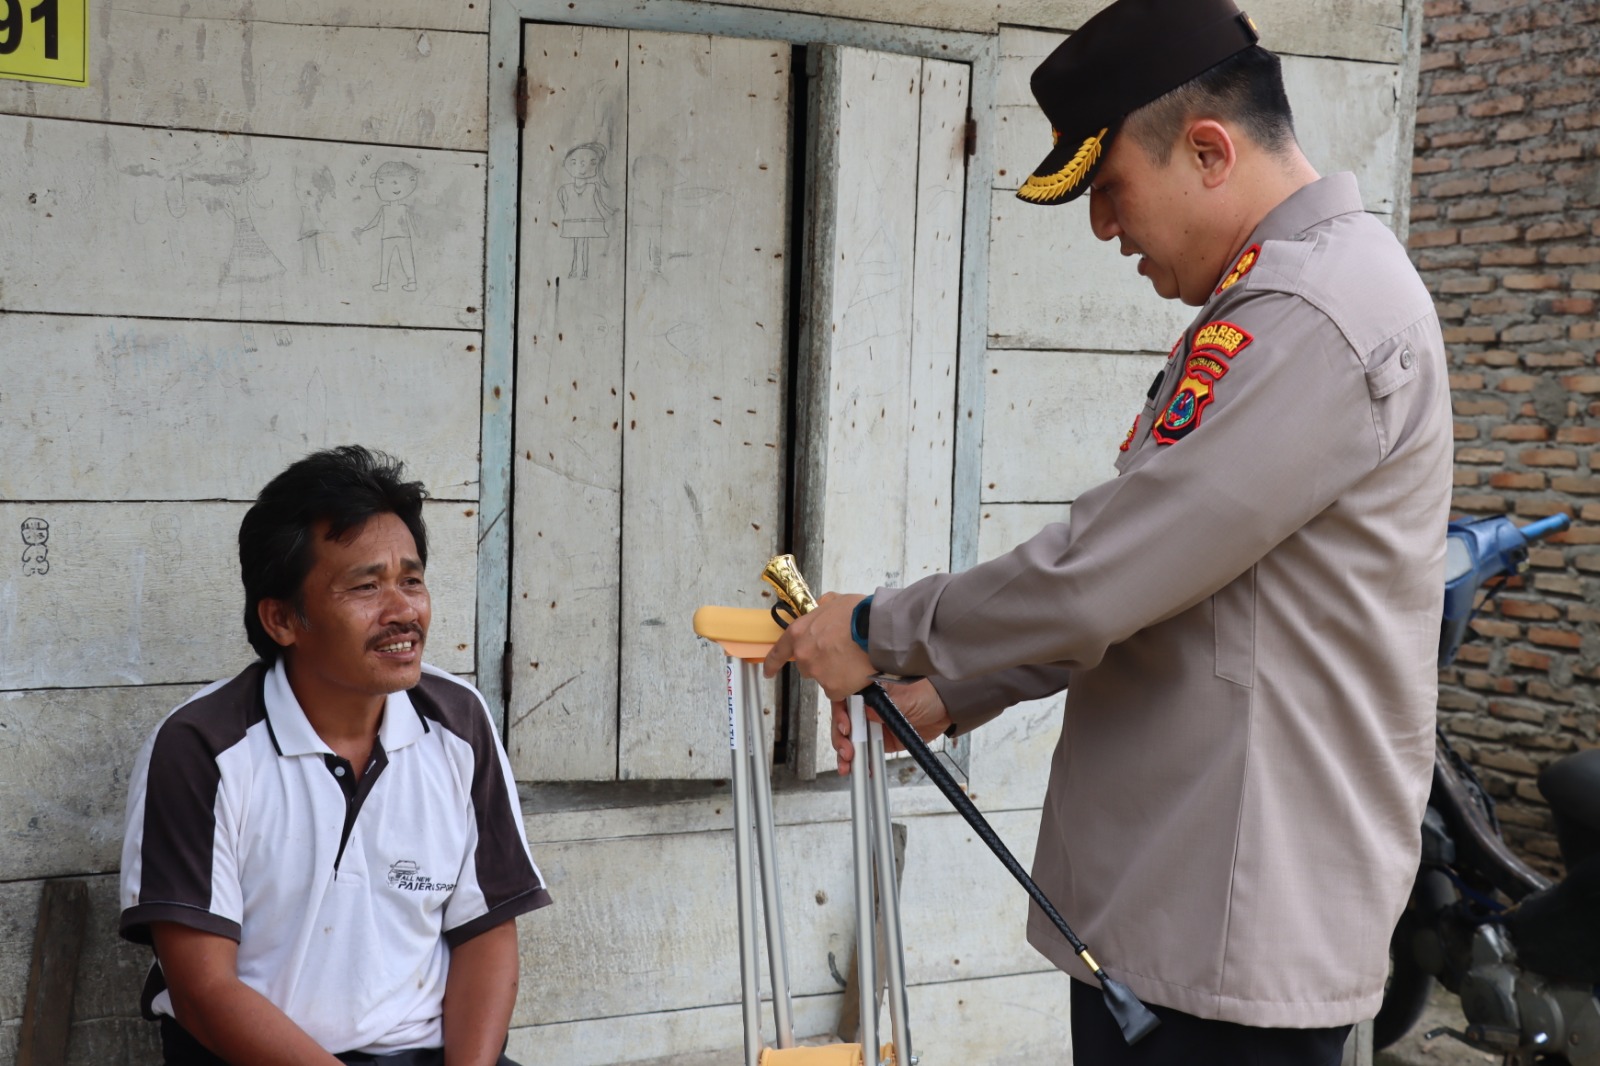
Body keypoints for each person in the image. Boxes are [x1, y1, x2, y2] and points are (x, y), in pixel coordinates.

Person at [765, 0, 1452, 1062]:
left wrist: (879, 625)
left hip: (1228, 935)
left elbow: (1099, 578)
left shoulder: (1313, 317)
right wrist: (957, 685)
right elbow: (1164, 585)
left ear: (1209, 149)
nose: (1102, 226)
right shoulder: (1276, 309)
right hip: (1182, 907)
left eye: (1109, 187)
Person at [120, 446, 550, 1066]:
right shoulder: (203, 747)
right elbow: (204, 990)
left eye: (412, 579)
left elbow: (485, 930)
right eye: (365, 586)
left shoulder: (459, 722)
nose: (403, 611)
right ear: (282, 619)